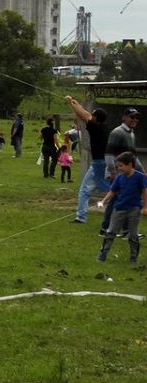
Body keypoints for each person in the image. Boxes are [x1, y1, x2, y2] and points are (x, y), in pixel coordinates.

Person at [66, 96, 112, 225]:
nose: (91, 116)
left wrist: (70, 103)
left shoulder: (95, 127)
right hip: (102, 162)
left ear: (95, 118)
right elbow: (85, 114)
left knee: (110, 191)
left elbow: (83, 115)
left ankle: (81, 217)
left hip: (99, 163)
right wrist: (76, 103)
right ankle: (81, 217)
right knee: (87, 190)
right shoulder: (104, 127)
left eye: (93, 116)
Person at [97, 152, 147, 263]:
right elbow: (112, 192)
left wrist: (145, 206)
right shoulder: (119, 178)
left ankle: (134, 258)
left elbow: (144, 192)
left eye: (121, 166)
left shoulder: (140, 177)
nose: (119, 169)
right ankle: (103, 254)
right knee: (111, 232)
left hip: (134, 210)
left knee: (133, 235)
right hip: (119, 209)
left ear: (130, 164)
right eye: (118, 166)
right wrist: (103, 201)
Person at [101, 107, 144, 235]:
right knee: (115, 200)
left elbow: (132, 157)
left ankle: (125, 230)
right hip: (117, 173)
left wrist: (142, 171)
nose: (135, 120)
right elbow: (109, 154)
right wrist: (113, 173)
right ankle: (106, 229)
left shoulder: (131, 133)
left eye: (136, 117)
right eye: (132, 117)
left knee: (123, 200)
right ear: (124, 117)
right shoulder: (117, 132)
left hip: (126, 173)